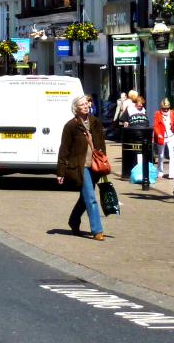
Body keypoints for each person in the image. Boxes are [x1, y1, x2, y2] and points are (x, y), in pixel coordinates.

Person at [56, 95, 106, 241]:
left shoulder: (96, 122)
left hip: (95, 165)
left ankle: (73, 220)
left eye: (87, 103)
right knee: (91, 198)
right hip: (80, 167)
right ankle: (97, 231)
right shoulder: (71, 126)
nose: (86, 106)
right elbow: (64, 149)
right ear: (76, 108)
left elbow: (101, 145)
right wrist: (60, 172)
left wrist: (103, 162)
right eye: (82, 104)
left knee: (85, 198)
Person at [153, 98, 174, 178]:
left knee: (172, 155)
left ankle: (172, 173)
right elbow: (155, 126)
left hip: (171, 136)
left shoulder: (173, 113)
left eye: (167, 108)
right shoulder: (157, 114)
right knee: (161, 155)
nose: (165, 110)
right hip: (162, 137)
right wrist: (158, 134)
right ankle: (160, 171)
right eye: (164, 109)